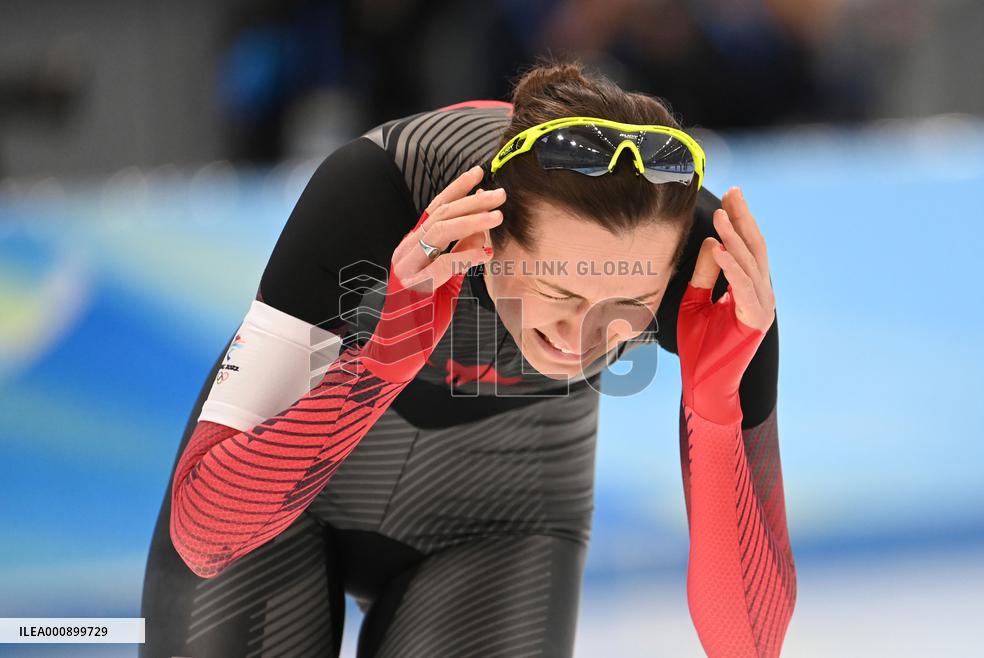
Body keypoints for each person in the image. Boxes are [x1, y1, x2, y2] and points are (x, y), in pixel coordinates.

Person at [140, 59, 796, 658]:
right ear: (491, 236)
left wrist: (715, 404)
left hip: (501, 524)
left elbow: (747, 644)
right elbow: (206, 536)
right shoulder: (379, 191)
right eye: (557, 291)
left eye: (632, 302)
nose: (584, 333)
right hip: (279, 488)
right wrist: (384, 358)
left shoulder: (718, 275)